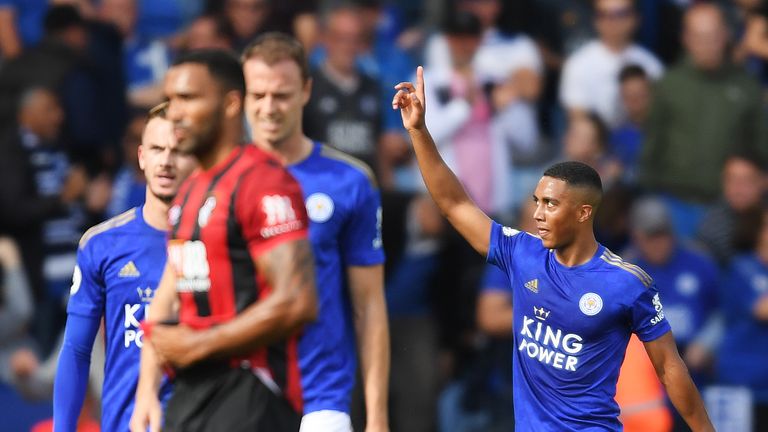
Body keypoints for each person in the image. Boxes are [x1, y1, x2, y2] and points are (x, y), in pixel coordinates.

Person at [392, 66, 715, 431]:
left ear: (583, 212)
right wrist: (418, 132)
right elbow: (455, 205)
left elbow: (670, 368)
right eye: (536, 202)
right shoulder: (522, 254)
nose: (537, 214)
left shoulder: (626, 283)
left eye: (550, 204)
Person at [130, 49, 318, 432]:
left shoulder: (262, 182)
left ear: (231, 103)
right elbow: (166, 303)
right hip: (191, 392)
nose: (175, 111)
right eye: (171, 98)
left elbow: (297, 301)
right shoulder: (190, 191)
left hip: (251, 389)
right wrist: (147, 391)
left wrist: (200, 344)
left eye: (188, 98)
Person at [241, 32, 389, 432]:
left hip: (321, 398)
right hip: (237, 394)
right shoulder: (218, 179)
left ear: (306, 91)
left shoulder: (350, 181)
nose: (269, 108)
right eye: (257, 95)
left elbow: (369, 304)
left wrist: (377, 417)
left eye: (282, 95)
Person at [52, 109, 198, 431]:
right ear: (141, 156)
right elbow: (76, 350)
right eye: (158, 149)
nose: (166, 161)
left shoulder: (219, 241)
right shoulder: (101, 244)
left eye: (178, 151)